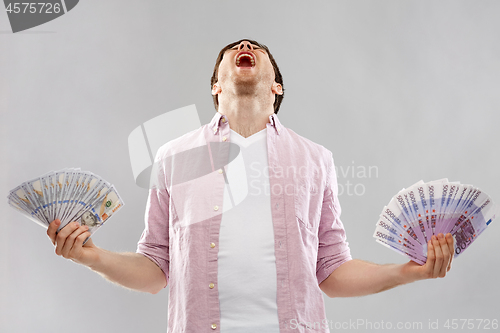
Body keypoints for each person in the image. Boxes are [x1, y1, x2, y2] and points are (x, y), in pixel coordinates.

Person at [47, 39, 455, 333]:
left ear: (276, 87)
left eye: (258, 47)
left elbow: (331, 272)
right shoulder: (174, 157)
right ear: (216, 87)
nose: (246, 44)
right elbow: (155, 269)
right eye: (234, 48)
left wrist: (409, 272)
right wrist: (90, 257)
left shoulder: (316, 159)